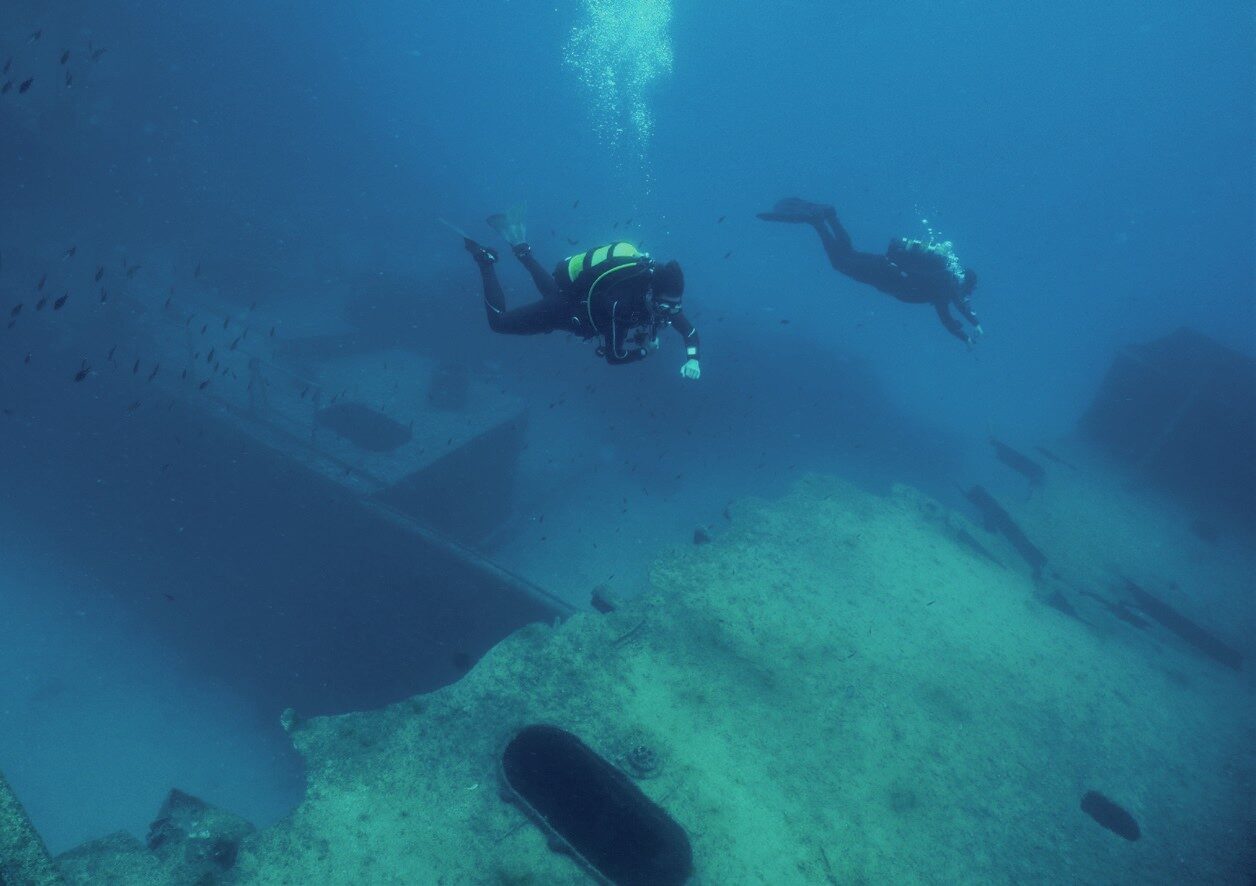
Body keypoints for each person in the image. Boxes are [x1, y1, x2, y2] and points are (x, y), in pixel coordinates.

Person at [457, 205, 701, 377]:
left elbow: (690, 333)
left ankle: (520, 246)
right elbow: (614, 356)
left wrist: (693, 360)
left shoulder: (664, 303)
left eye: (674, 307)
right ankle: (485, 261)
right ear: (651, 293)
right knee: (499, 322)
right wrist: (645, 351)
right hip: (568, 311)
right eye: (664, 306)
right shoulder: (623, 304)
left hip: (572, 297)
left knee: (553, 294)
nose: (668, 314)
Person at [757, 197, 983, 345]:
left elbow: (949, 315)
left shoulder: (942, 286)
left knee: (848, 254)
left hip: (884, 266)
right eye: (967, 289)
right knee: (841, 262)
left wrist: (966, 333)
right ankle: (820, 221)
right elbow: (951, 312)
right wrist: (972, 329)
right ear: (964, 282)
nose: (964, 294)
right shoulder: (946, 287)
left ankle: (827, 218)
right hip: (885, 274)